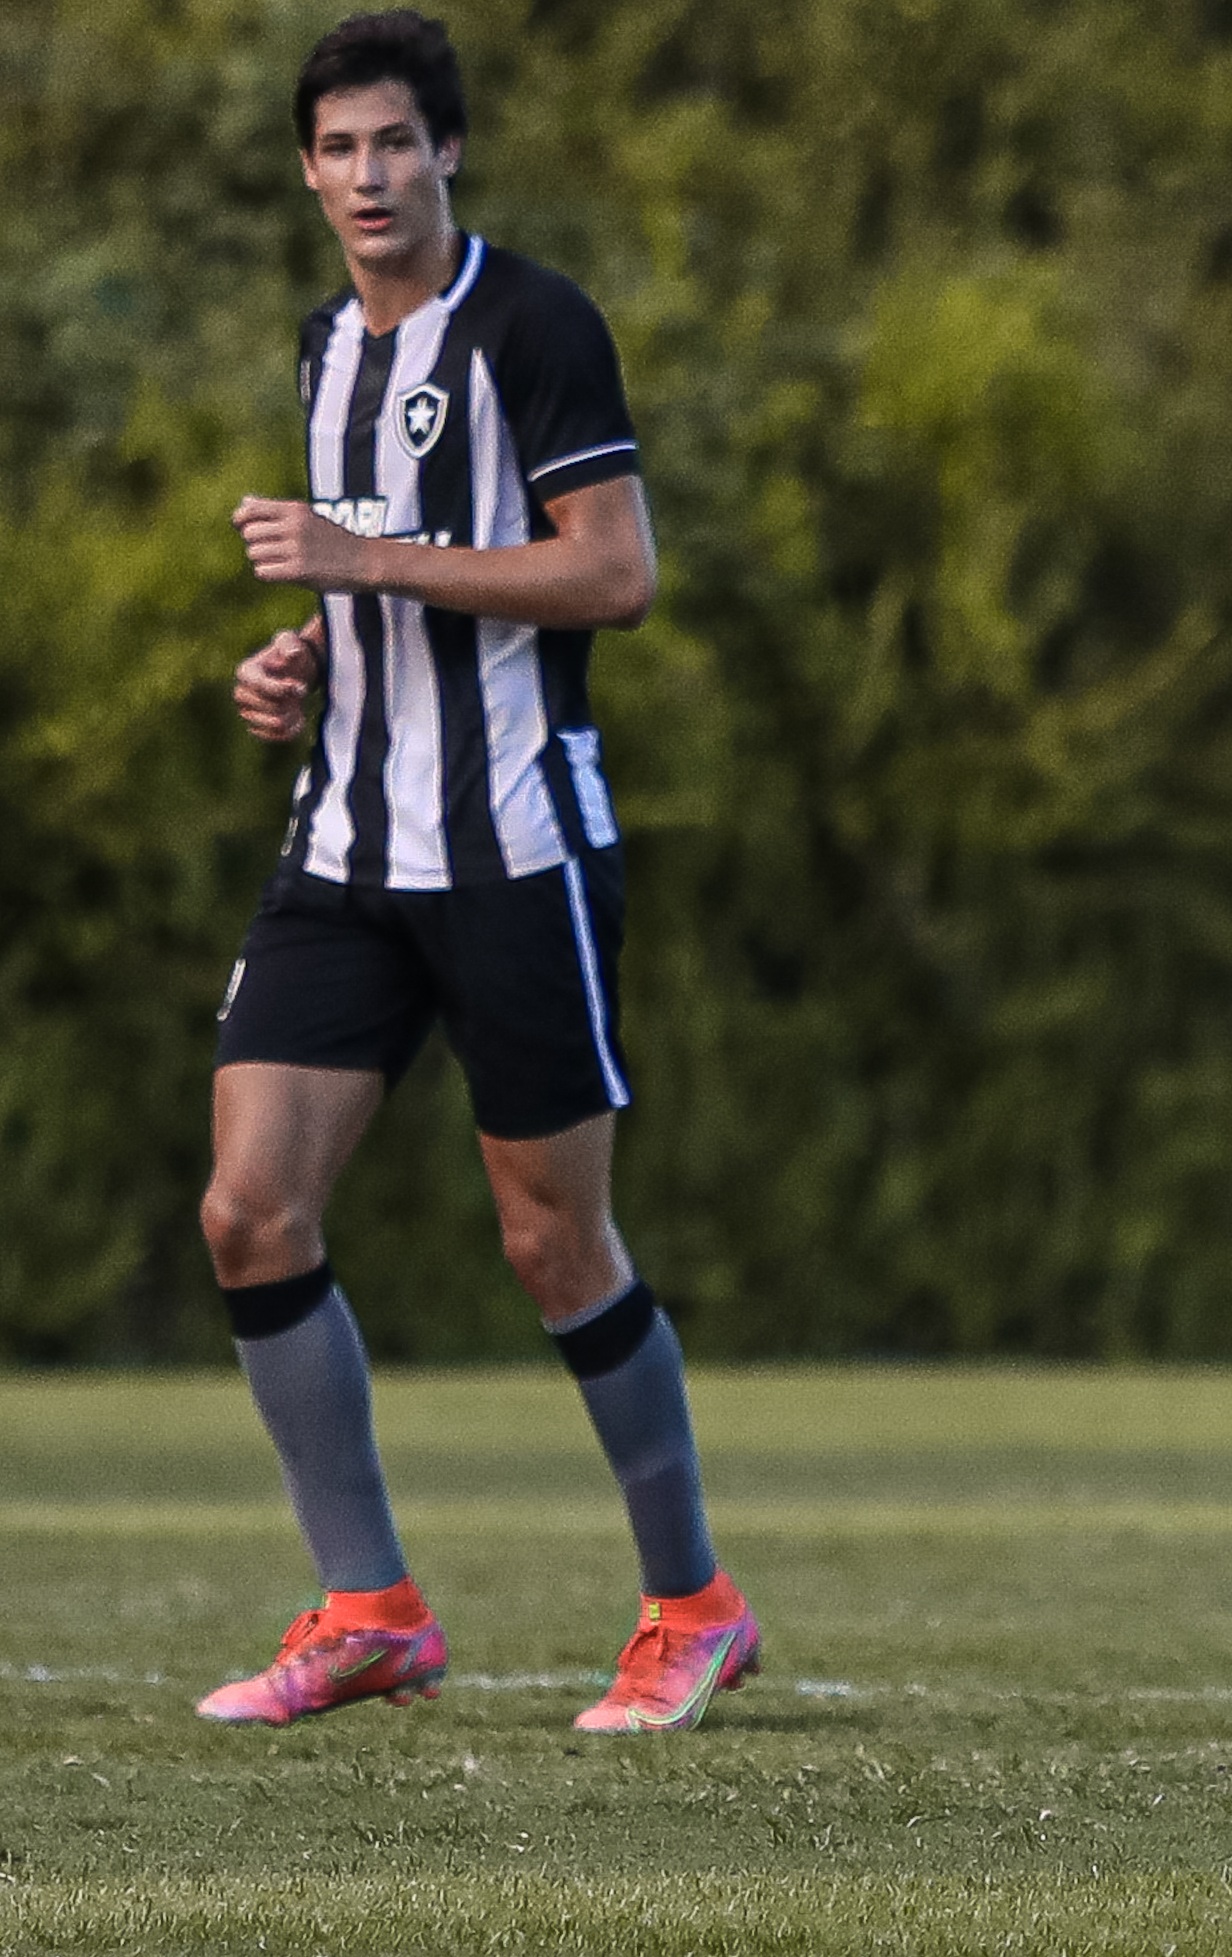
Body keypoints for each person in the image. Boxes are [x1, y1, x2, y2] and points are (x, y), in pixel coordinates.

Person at [197, 10, 757, 1735]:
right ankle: (369, 1605)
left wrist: (366, 556)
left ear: (450, 153)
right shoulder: (322, 348)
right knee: (247, 1208)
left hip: (514, 845)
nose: (369, 176)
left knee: (555, 1245)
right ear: (307, 171)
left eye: (396, 143)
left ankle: (695, 1603)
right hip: (347, 845)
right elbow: (385, 595)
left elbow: (612, 574)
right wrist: (299, 662)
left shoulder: (535, 323)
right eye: (339, 149)